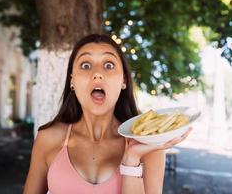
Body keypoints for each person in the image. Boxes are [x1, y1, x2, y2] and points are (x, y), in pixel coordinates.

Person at [23, 34, 191, 194]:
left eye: (109, 65)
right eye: (86, 65)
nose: (97, 73)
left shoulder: (148, 147)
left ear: (123, 81)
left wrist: (132, 159)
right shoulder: (47, 139)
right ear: (72, 80)